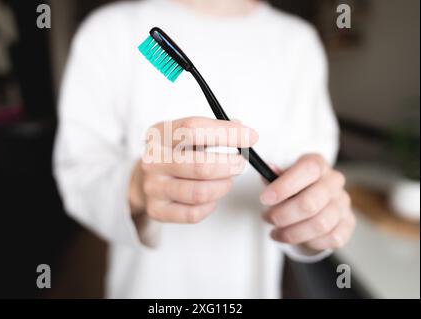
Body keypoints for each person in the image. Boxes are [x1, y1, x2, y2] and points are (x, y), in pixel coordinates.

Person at [53, 0, 356, 298]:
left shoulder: (299, 43)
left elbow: (313, 181)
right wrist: (137, 186)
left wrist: (315, 217)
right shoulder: (108, 31)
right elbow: (78, 173)